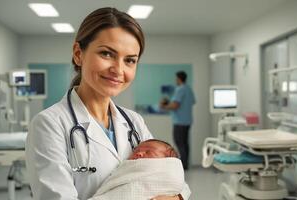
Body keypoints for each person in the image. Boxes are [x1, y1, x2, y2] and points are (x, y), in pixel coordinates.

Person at [25, 7, 190, 200]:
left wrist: (174, 197)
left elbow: (172, 175)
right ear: (79, 54)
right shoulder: (49, 125)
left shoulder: (134, 122)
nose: (118, 70)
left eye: (130, 60)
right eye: (107, 54)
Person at [92, 139, 184, 199]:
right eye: (136, 150)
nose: (139, 153)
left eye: (149, 152)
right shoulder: (126, 171)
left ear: (167, 162)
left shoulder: (164, 173)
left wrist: (175, 198)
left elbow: (178, 183)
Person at [160, 71, 196, 170]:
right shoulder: (188, 89)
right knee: (185, 143)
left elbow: (175, 105)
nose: (175, 80)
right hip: (187, 121)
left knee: (179, 142)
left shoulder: (180, 89)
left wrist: (165, 106)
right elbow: (192, 102)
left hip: (180, 121)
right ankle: (185, 164)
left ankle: (183, 165)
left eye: (176, 78)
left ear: (179, 79)